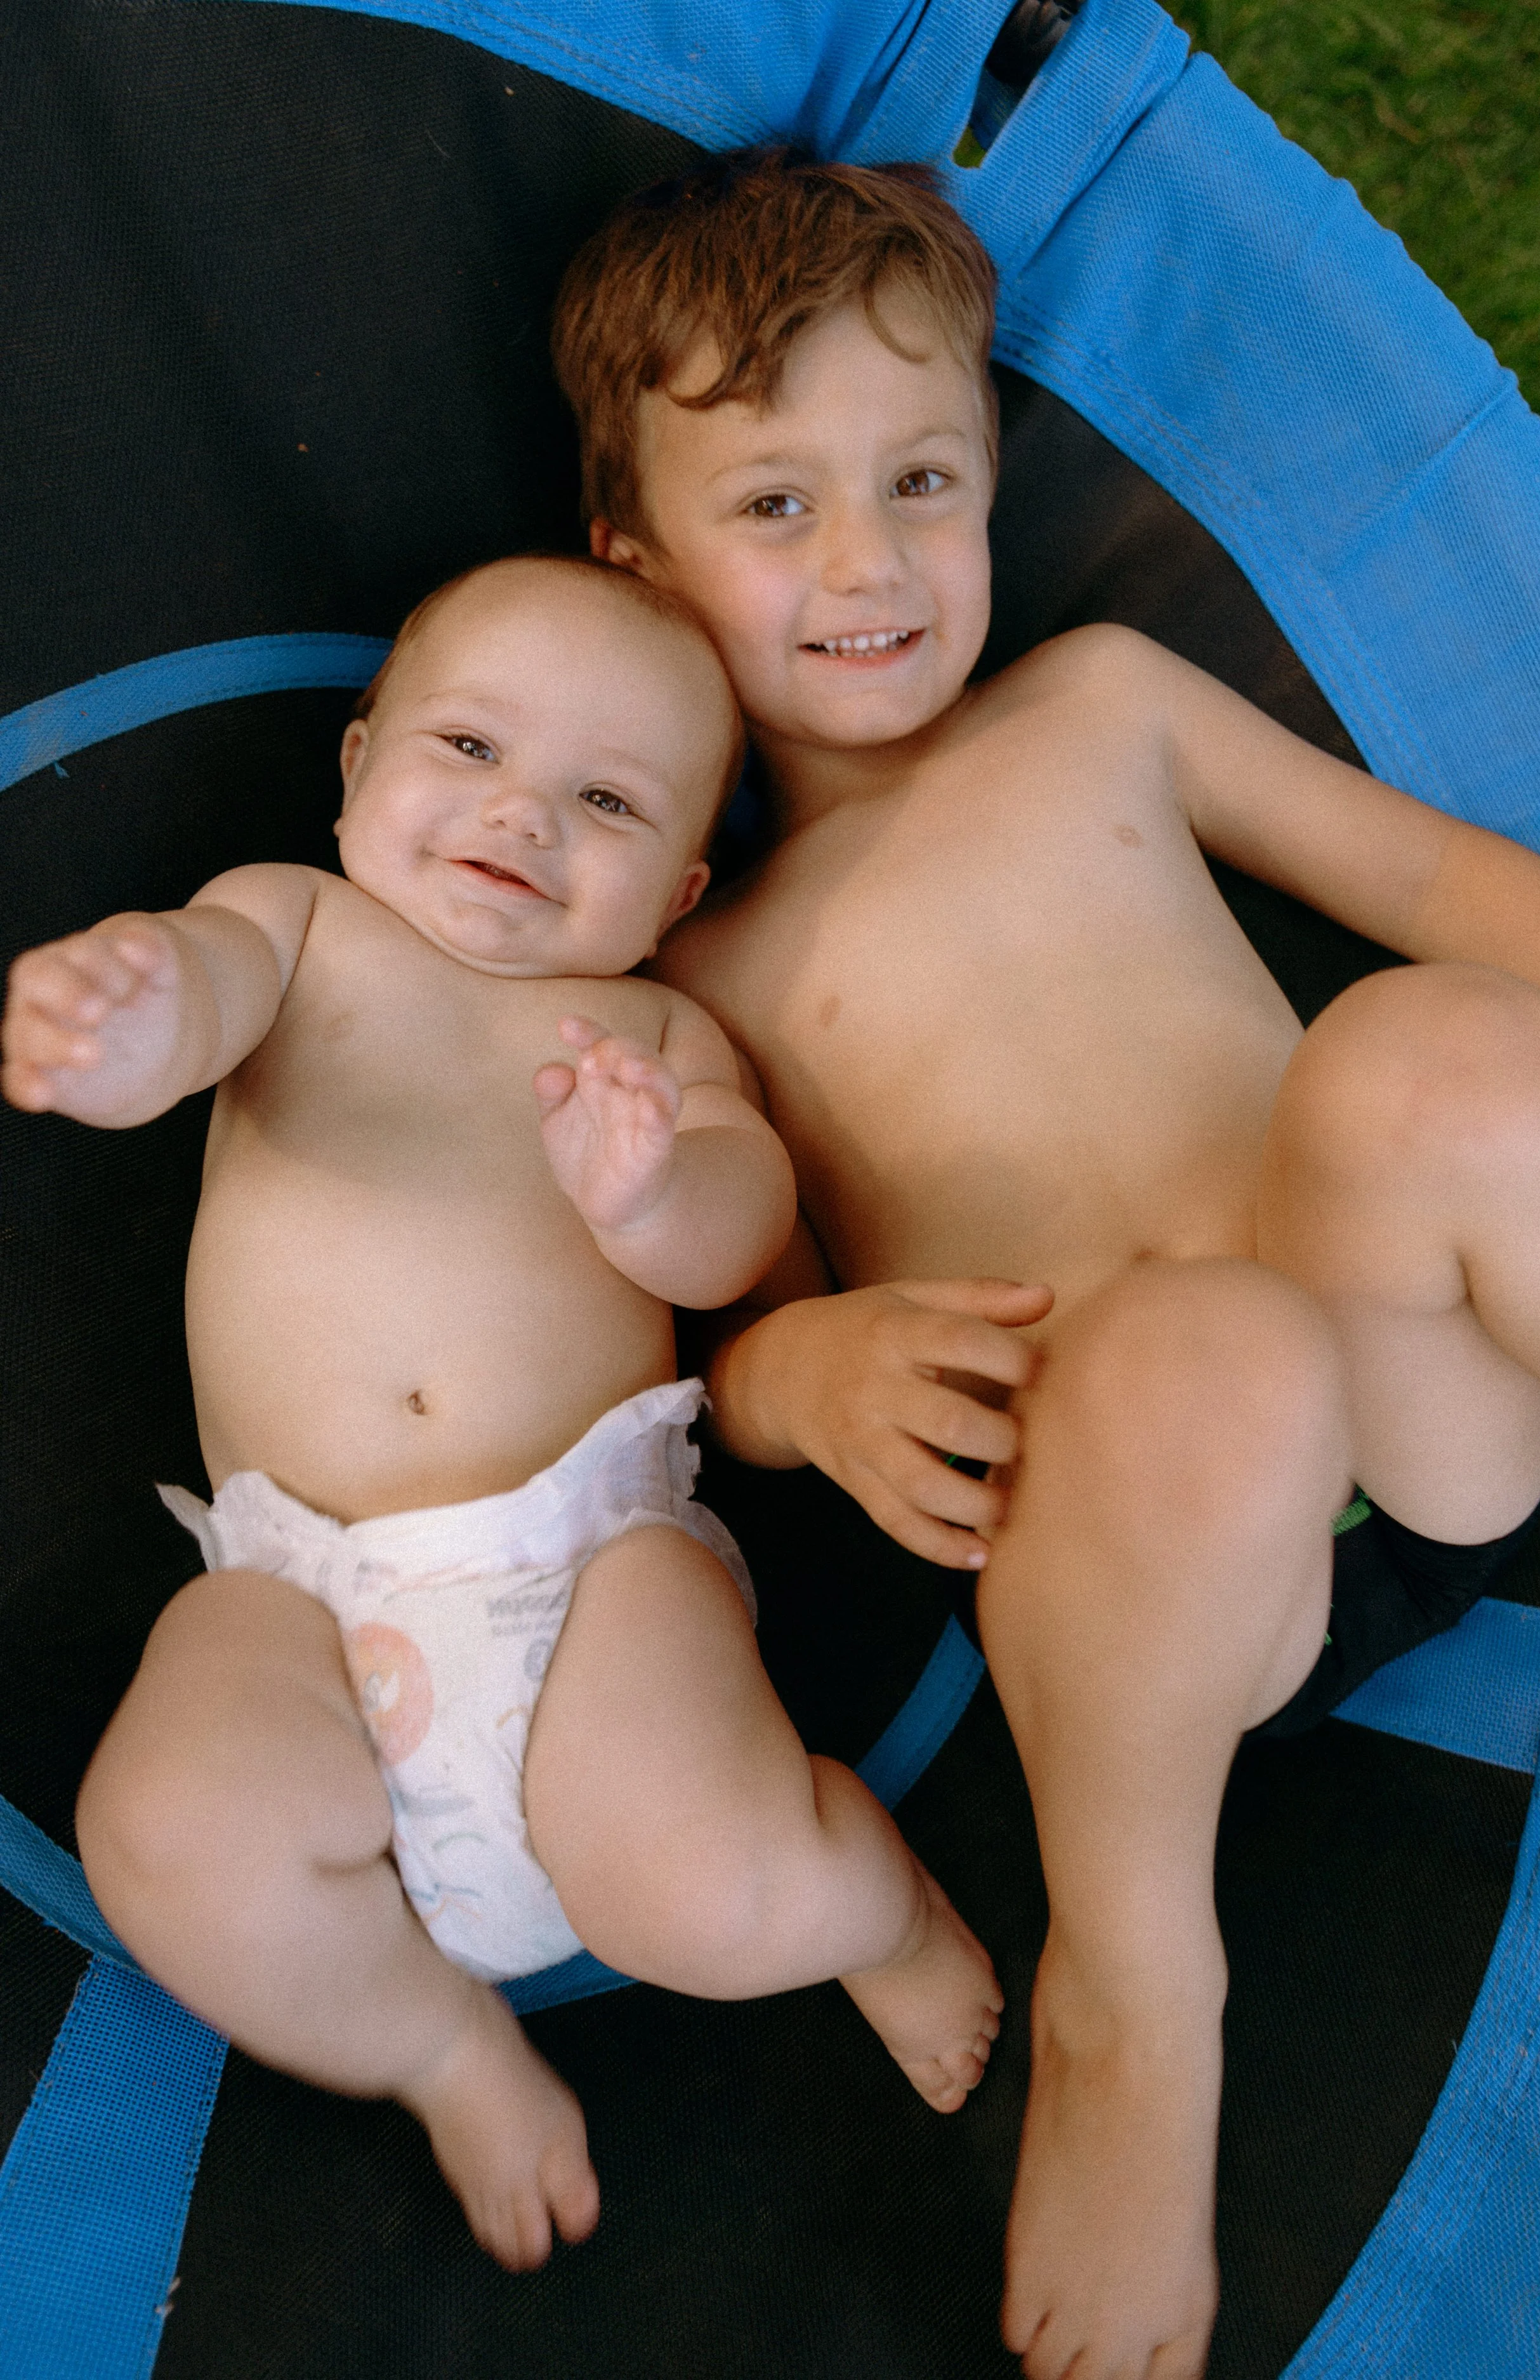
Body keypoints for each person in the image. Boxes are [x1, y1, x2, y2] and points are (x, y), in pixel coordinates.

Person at [551, 149, 1540, 2379]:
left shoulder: (1098, 700)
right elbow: (708, 1337)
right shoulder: (694, 960)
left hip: (1418, 1421)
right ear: (631, 567)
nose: (872, 560)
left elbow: (1445, 889)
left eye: (921, 477)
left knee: (1416, 1060)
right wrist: (809, 1370)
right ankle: (1137, 1993)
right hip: (1138, 1588)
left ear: (997, 478)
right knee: (1196, 1348)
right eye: (776, 509)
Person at [0, 554, 1003, 2275]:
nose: (519, 817)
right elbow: (201, 982)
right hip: (297, 1600)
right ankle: (442, 2047)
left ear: (679, 884)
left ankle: (869, 1905)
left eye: (603, 800)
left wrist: (646, 1192)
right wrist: (128, 1017)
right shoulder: (299, 927)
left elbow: (744, 1221)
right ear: (354, 765)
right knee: (165, 1834)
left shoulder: (648, 1028)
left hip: (585, 1567)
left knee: (708, 1890)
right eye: (466, 747)